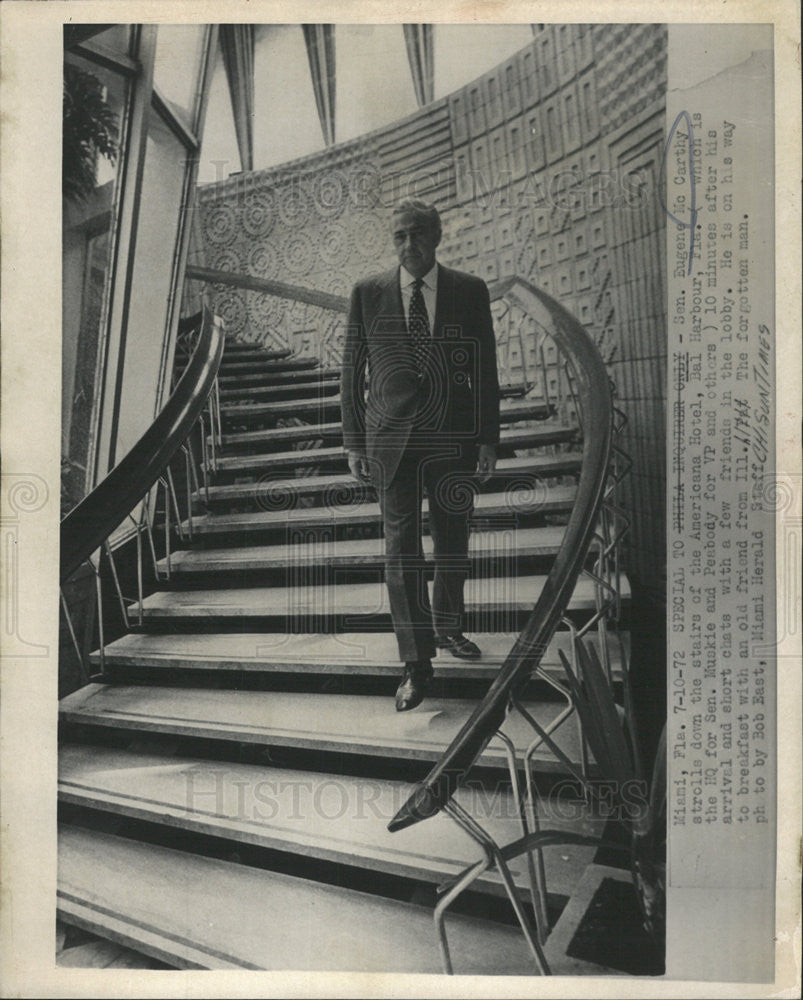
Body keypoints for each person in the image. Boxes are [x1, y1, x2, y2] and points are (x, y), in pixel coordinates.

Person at [341, 198, 500, 711]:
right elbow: (351, 373)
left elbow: (486, 370)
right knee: (400, 549)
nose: (408, 245)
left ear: (436, 236)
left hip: (451, 438)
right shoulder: (368, 293)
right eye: (399, 237)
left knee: (452, 539)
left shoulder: (468, 291)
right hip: (391, 440)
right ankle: (416, 662)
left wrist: (488, 439)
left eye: (417, 235)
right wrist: (353, 442)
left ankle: (450, 627)